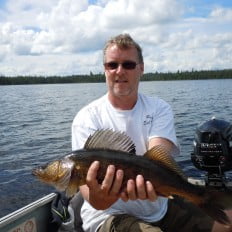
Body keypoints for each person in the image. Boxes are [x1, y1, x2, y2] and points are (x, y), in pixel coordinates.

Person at [71, 34, 232, 232]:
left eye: (128, 64)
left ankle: (204, 197)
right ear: (105, 69)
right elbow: (97, 202)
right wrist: (107, 194)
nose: (119, 71)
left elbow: (158, 154)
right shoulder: (86, 118)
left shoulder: (158, 108)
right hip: (109, 215)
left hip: (160, 205)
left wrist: (167, 187)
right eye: (112, 65)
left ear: (141, 68)